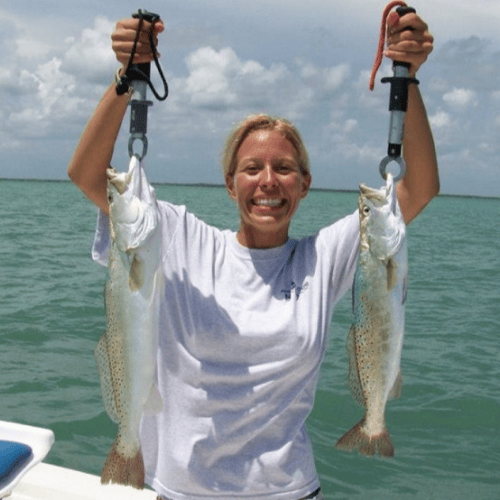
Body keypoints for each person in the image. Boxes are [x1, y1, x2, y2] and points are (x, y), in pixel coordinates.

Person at [68, 11, 438, 500]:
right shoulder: (177, 237)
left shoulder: (326, 257)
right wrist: (127, 78)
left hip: (289, 490)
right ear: (229, 184)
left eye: (284, 168)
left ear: (305, 185)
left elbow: (420, 187)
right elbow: (88, 175)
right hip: (181, 491)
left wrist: (407, 78)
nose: (268, 181)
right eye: (252, 168)